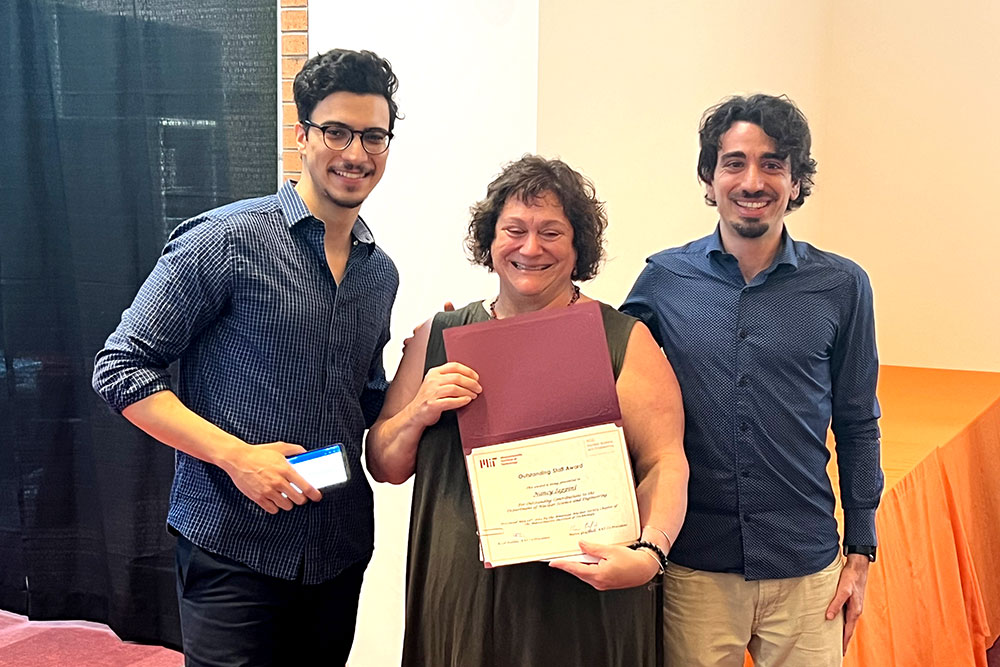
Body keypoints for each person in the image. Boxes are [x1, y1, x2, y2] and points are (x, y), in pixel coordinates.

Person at [92, 48, 401, 666]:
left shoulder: (379, 274)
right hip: (232, 544)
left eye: (373, 136)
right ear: (303, 135)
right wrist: (236, 457)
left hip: (337, 545)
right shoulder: (223, 240)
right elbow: (122, 369)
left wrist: (429, 365)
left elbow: (362, 401)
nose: (356, 153)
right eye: (336, 131)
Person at [366, 155, 688, 667]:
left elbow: (664, 462)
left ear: (579, 245)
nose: (530, 248)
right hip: (462, 602)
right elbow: (384, 464)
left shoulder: (623, 341)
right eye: (514, 229)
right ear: (490, 242)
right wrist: (418, 410)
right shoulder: (438, 338)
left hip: (584, 601)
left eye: (552, 233)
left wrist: (650, 555)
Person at [622, 94, 883, 666]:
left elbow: (860, 424)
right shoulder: (663, 280)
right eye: (734, 162)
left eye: (773, 164)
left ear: (795, 182)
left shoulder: (843, 286)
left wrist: (860, 549)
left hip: (807, 568)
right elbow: (604, 386)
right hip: (695, 565)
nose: (752, 180)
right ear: (709, 178)